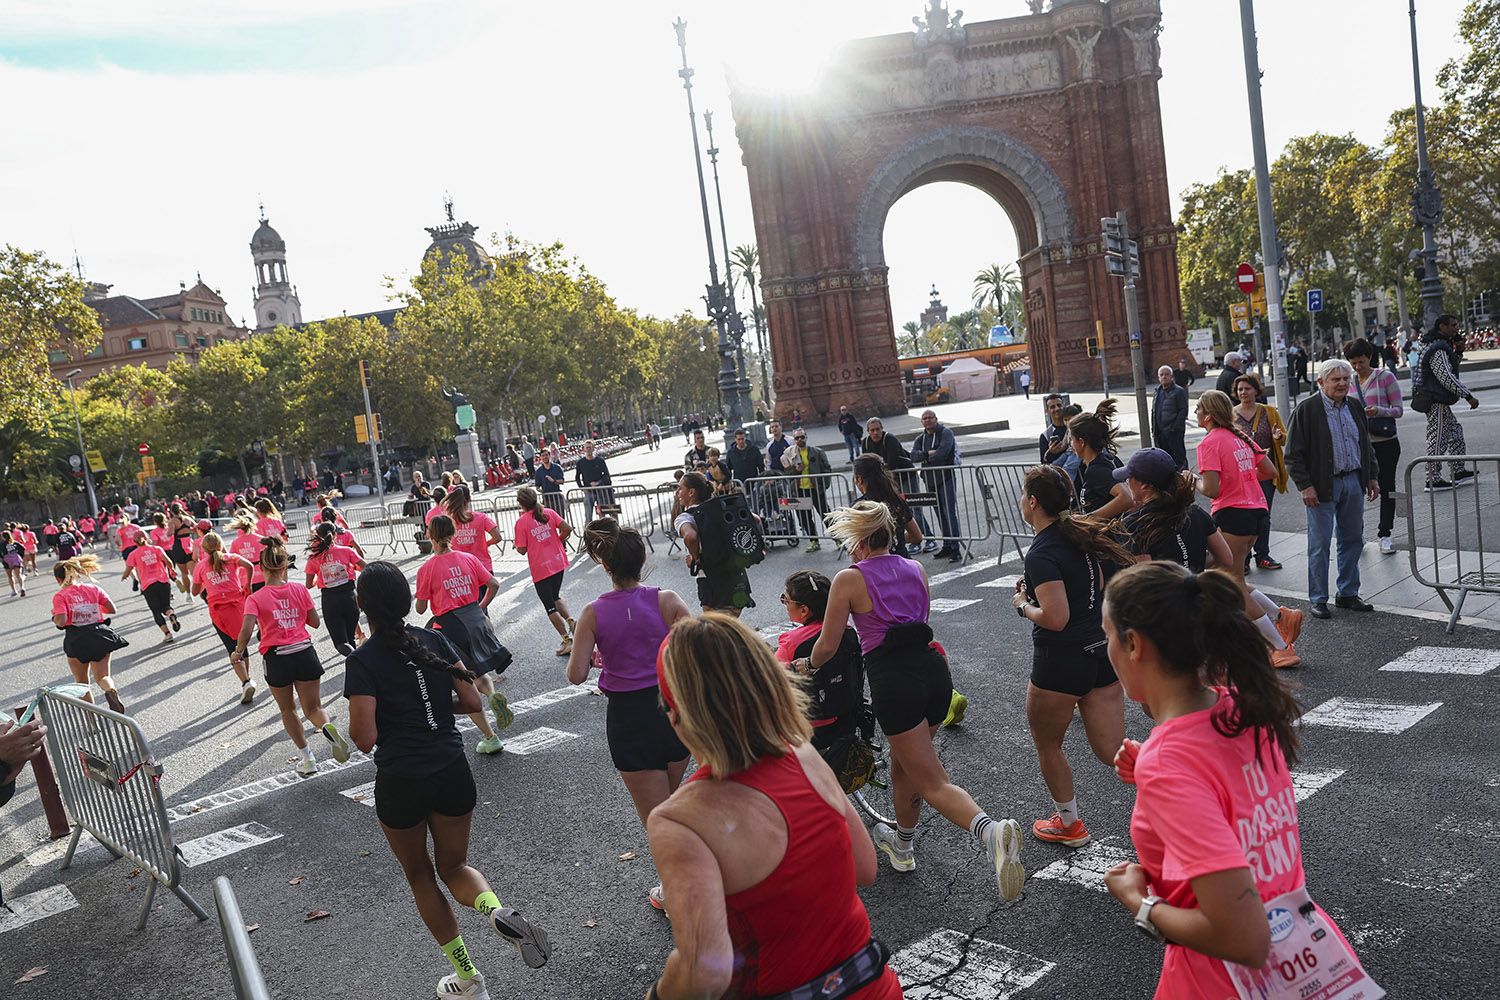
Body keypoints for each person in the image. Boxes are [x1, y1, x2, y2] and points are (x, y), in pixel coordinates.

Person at [1101, 562, 1380, 1000]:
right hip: (1307, 953)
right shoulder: (1241, 706)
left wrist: (1140, 902)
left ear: (1134, 643)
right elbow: (1234, 800)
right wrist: (1153, 777)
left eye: (1107, 636)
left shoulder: (1170, 761)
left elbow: (1244, 940)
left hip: (1221, 981)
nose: (1107, 649)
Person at [647, 613, 904, 1000]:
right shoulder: (803, 753)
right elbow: (865, 867)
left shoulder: (680, 820)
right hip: (873, 986)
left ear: (677, 715)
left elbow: (704, 971)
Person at [798, 501, 1025, 898]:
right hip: (933, 672)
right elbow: (918, 620)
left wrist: (807, 665)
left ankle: (991, 833)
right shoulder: (915, 568)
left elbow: (828, 644)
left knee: (932, 780)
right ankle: (903, 846)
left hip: (894, 681)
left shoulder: (849, 580)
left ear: (863, 540)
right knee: (906, 767)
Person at [346, 562, 551, 998]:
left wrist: (396, 718)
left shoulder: (363, 660)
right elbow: (473, 698)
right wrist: (433, 713)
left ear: (363, 606)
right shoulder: (434, 638)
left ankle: (468, 976)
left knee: (421, 875)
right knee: (455, 866)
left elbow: (364, 739)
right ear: (404, 600)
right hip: (451, 768)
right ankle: (496, 910)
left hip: (401, 779)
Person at [564, 520, 692, 912]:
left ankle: (677, 893)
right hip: (672, 710)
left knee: (657, 817)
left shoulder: (592, 612)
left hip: (628, 721)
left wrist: (602, 653)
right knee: (675, 803)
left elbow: (576, 674)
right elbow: (701, 649)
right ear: (643, 560)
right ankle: (691, 878)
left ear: (606, 567)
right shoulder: (667, 600)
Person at [1013, 466, 1134, 846]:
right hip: (1100, 653)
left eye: (1023, 495)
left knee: (1049, 745)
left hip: (1060, 662)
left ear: (1033, 502)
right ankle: (1185, 787)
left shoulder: (1042, 551)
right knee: (1115, 754)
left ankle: (1069, 824)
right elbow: (1093, 589)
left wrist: (1022, 605)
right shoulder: (1082, 536)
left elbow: (1056, 617)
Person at [1193, 391, 1300, 668]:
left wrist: (1192, 481)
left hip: (1232, 513)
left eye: (1198, 409)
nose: (1194, 413)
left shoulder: (1209, 444)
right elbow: (1270, 471)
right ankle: (1280, 616)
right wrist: (1242, 478)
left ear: (1208, 415)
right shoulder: (1241, 436)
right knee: (1227, 576)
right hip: (1255, 512)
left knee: (1231, 584)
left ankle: (1279, 646)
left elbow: (1211, 488)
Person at [231, 536, 352, 777]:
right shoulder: (298, 589)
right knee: (314, 707)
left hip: (277, 658)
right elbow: (315, 623)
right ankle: (326, 726)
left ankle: (308, 759)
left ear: (262, 568)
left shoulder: (255, 598)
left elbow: (246, 629)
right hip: (305, 652)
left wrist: (238, 651)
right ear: (285, 565)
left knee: (288, 710)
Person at [1285, 359, 1380, 620]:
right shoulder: (1307, 409)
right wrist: (1305, 486)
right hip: (1322, 486)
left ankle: (1348, 593)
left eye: (1345, 379)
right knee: (1320, 544)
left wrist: (1372, 476)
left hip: (1353, 481)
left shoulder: (1355, 407)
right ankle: (1318, 598)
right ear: (1321, 382)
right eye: (1335, 379)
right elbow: (1292, 455)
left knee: (1353, 540)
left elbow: (1365, 446)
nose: (1341, 383)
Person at [416, 516, 511, 756]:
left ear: (431, 536)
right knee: (480, 671)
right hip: (475, 618)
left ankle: (490, 737)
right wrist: (480, 606)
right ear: (453, 533)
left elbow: (420, 608)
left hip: (450, 626)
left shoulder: (427, 568)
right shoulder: (468, 558)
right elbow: (494, 584)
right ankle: (491, 694)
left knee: (464, 684)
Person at [1116, 450, 1229, 574]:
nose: (1126, 481)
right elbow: (1226, 559)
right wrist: (1192, 562)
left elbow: (1146, 578)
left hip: (1166, 592)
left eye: (1129, 477)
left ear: (1144, 485)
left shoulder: (1134, 524)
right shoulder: (1196, 513)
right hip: (1196, 590)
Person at [52, 554, 130, 712]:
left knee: (82, 683)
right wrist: (90, 607)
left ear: (58, 579)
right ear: (76, 573)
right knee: (103, 676)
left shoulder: (61, 596)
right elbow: (111, 609)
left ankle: (92, 722)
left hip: (76, 638)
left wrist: (54, 616)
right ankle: (110, 690)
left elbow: (61, 621)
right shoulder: (94, 588)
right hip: (99, 634)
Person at [1347, 338, 1404, 554]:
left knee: (1387, 487)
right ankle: (1357, 534)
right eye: (1353, 363)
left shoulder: (1385, 377)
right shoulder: (1349, 381)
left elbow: (1398, 410)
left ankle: (1385, 534)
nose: (1358, 367)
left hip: (1385, 442)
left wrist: (1379, 410)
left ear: (1369, 357)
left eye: (1361, 362)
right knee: (1355, 489)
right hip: (1358, 444)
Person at [1412, 313, 1480, 491]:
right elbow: (1446, 376)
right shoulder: (1438, 348)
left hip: (1436, 398)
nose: (1456, 328)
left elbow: (1448, 368)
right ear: (1442, 326)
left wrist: (1458, 351)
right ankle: (1432, 479)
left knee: (1455, 432)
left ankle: (1458, 470)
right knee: (1438, 437)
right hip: (1435, 399)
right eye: (1453, 325)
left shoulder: (1437, 345)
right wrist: (1468, 396)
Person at [674, 471, 754, 616]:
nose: (677, 492)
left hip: (711, 581)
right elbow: (755, 519)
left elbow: (690, 537)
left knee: (716, 631)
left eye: (680, 488)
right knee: (730, 627)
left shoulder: (685, 517)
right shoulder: (721, 508)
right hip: (737, 576)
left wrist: (695, 557)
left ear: (691, 492)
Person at [192, 532, 258, 704]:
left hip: (218, 610)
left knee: (231, 646)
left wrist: (209, 583)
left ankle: (245, 681)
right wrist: (247, 584)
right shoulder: (231, 558)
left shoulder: (200, 566)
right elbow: (250, 565)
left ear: (204, 549)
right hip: (238, 605)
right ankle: (247, 678)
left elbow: (194, 591)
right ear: (221, 545)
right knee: (241, 643)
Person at [1231, 373, 1288, 571]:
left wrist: (1279, 437)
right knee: (1242, 516)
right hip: (1241, 475)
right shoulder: (1230, 415)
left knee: (1263, 514)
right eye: (1240, 389)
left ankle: (1262, 555)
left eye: (1247, 388)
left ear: (1256, 390)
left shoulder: (1269, 412)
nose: (1243, 392)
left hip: (1265, 472)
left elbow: (1284, 438)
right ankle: (1243, 559)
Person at [512, 487, 575, 655]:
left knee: (549, 606)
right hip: (557, 561)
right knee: (555, 596)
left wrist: (516, 544)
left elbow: (522, 549)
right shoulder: (548, 512)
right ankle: (571, 622)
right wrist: (557, 541)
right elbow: (568, 528)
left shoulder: (522, 522)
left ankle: (566, 640)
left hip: (541, 568)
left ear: (521, 504)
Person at [305, 522, 365, 656]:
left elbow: (309, 584)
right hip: (350, 596)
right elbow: (365, 567)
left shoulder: (314, 557)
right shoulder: (346, 551)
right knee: (351, 638)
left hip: (330, 599)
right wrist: (352, 568)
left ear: (318, 537)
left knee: (341, 643)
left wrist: (318, 579)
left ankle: (356, 659)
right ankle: (357, 662)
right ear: (335, 535)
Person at [911, 409, 962, 562]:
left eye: (930, 417)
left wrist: (926, 456)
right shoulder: (920, 438)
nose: (927, 420)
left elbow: (943, 453)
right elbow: (913, 456)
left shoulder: (946, 433)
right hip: (930, 479)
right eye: (924, 418)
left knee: (949, 513)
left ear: (936, 418)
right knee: (939, 513)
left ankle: (955, 548)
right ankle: (947, 545)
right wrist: (928, 454)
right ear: (922, 421)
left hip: (945, 478)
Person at [1069, 400, 1131, 518]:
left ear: (1081, 442)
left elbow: (1127, 497)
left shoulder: (1096, 470)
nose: (1070, 444)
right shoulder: (1109, 459)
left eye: (1072, 439)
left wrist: (1087, 518)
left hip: (1108, 535)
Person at [851, 455, 921, 559]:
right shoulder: (896, 500)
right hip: (902, 562)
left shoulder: (860, 506)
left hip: (875, 567)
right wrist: (897, 539)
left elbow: (856, 548)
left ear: (859, 479)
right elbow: (917, 536)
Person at [121, 527, 180, 642]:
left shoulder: (133, 554)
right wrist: (171, 570)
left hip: (148, 585)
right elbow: (168, 561)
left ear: (134, 541)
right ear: (147, 538)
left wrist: (124, 576)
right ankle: (171, 614)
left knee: (156, 610)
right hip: (163, 582)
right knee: (166, 606)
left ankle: (168, 634)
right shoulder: (157, 548)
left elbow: (128, 570)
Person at [781, 428, 832, 553]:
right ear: (794, 440)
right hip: (799, 490)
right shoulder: (791, 453)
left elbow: (827, 469)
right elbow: (787, 473)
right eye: (797, 438)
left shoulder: (817, 452)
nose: (799, 440)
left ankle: (838, 539)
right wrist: (796, 469)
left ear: (806, 437)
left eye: (802, 437)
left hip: (815, 489)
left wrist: (823, 485)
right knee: (805, 517)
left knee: (826, 514)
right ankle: (813, 541)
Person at [442, 486, 501, 573]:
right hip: (483, 567)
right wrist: (486, 544)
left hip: (460, 569)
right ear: (469, 499)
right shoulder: (481, 517)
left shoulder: (448, 520)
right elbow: (498, 537)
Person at [1152, 365, 1189, 470]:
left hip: (1174, 432)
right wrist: (1154, 429)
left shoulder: (1179, 391)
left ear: (1171, 376)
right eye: (1161, 375)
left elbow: (1183, 410)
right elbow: (1154, 411)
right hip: (1160, 433)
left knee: (1179, 459)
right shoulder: (1157, 392)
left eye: (1167, 374)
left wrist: (1175, 428)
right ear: (1159, 377)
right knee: (1164, 460)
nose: (1164, 377)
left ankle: (1183, 481)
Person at [574, 440, 613, 523]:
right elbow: (577, 477)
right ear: (584, 449)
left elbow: (606, 475)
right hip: (589, 492)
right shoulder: (581, 463)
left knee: (602, 515)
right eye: (586, 448)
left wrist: (598, 483)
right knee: (588, 515)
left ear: (593, 448)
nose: (588, 450)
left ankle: (603, 532)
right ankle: (588, 532)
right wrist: (582, 488)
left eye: (590, 447)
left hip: (601, 491)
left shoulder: (600, 461)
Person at [1038, 393, 1069, 466]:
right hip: (1060, 475)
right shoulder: (1045, 436)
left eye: (1059, 405)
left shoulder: (1073, 427)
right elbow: (1044, 463)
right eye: (1052, 407)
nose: (1057, 409)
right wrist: (1051, 452)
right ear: (1047, 411)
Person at [532, 451, 566, 516]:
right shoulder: (539, 471)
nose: (545, 457)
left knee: (560, 518)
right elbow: (537, 486)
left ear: (549, 456)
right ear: (540, 457)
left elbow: (562, 481)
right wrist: (539, 490)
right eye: (543, 456)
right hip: (546, 499)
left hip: (557, 498)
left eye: (546, 455)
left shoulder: (557, 467)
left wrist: (554, 481)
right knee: (549, 519)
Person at [2, 529, 24, 597]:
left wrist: (2, 559)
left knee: (10, 576)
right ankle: (22, 587)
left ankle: (14, 590)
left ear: (3, 537)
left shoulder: (2, 545)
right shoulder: (15, 543)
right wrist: (20, 557)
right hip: (16, 559)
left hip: (7, 561)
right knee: (18, 575)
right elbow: (22, 549)